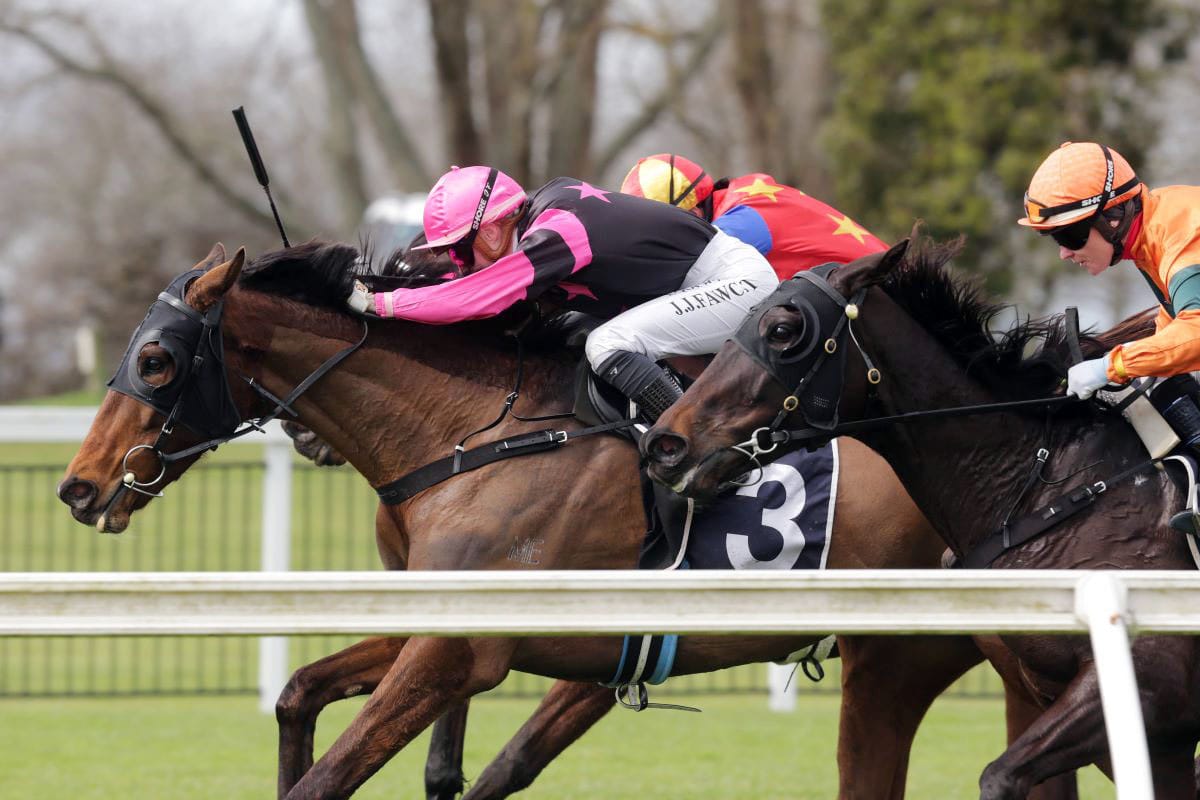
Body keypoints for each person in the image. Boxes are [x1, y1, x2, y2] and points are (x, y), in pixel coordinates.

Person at [349, 165, 779, 420]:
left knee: (608, 343)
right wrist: (377, 290)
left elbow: (479, 296)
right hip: (705, 285)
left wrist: (380, 304)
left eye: (460, 248)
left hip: (733, 283)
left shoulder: (557, 231)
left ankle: (698, 439)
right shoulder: (543, 220)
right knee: (580, 335)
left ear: (495, 229)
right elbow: (462, 289)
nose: (459, 263)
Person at [1018, 142, 1200, 414]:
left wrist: (1113, 366)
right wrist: (1141, 360)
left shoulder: (1181, 236)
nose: (1064, 253)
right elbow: (1175, 317)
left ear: (1112, 219)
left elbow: (1196, 331)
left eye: (1068, 236)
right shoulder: (1155, 229)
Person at [620, 153, 887, 280]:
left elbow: (675, 278)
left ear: (693, 209)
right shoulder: (741, 197)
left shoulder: (740, 223)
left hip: (890, 294)